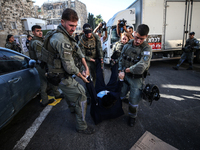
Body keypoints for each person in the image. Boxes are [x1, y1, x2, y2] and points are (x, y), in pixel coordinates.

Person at [47, 8, 95, 134]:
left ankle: (73, 109)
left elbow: (78, 51)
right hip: (60, 75)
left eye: (75, 25)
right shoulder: (61, 39)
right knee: (81, 94)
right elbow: (69, 67)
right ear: (62, 22)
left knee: (69, 93)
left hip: (62, 73)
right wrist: (82, 77)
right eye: (71, 25)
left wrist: (87, 67)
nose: (74, 29)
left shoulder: (66, 35)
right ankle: (82, 126)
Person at [118, 24, 152, 127]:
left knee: (133, 100)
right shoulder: (127, 45)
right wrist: (120, 70)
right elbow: (121, 59)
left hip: (136, 80)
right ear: (134, 33)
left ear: (146, 37)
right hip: (124, 76)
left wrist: (128, 70)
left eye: (141, 39)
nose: (138, 41)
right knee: (121, 94)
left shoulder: (146, 49)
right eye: (137, 37)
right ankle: (118, 108)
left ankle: (132, 116)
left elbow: (142, 66)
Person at [29, 25, 64, 107]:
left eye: (40, 30)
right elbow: (41, 56)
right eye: (37, 31)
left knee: (47, 81)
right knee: (47, 81)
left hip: (41, 65)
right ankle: (48, 99)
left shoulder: (39, 41)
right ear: (33, 32)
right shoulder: (36, 42)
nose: (40, 32)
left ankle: (52, 96)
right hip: (42, 65)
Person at [84, 59, 124, 124]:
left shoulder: (97, 102)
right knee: (113, 79)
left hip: (99, 90)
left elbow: (91, 91)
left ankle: (99, 62)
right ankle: (115, 63)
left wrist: (87, 77)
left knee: (99, 77)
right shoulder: (114, 97)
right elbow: (118, 89)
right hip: (110, 90)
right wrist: (121, 79)